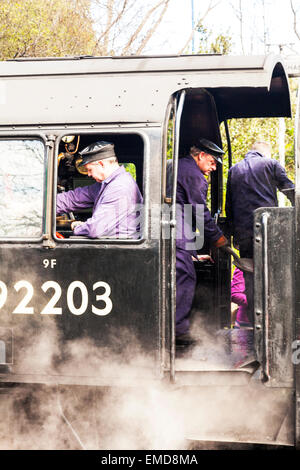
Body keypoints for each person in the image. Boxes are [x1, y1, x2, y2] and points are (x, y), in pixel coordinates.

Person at [225, 140, 294, 325]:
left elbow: (229, 206)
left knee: (251, 277)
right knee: (274, 275)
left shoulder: (234, 170)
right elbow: (290, 190)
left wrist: (233, 237)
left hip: (245, 236)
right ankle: (273, 322)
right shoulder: (270, 164)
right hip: (269, 232)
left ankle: (257, 322)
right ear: (266, 153)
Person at [175, 138, 228, 348]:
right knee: (186, 276)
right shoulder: (194, 175)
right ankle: (178, 330)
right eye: (213, 162)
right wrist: (219, 239)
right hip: (176, 229)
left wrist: (193, 253)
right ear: (202, 155)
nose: (213, 168)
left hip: (171, 230)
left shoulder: (179, 166)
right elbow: (199, 213)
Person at [56, 141, 143, 239]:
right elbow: (74, 198)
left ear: (101, 164)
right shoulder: (107, 184)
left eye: (89, 169)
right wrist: (44, 207)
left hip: (120, 249)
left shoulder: (119, 187)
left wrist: (77, 226)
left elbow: (95, 229)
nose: (88, 174)